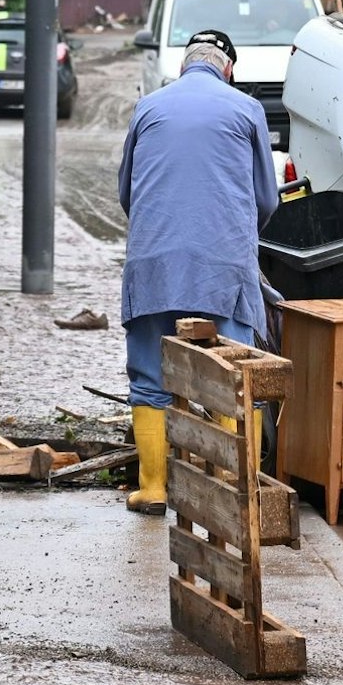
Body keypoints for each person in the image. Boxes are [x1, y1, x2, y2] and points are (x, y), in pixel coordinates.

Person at [117, 29, 279, 513]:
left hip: (153, 265)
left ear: (183, 65)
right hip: (223, 268)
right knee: (236, 378)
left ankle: (153, 489)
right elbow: (266, 199)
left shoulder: (147, 107)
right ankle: (234, 489)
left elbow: (127, 193)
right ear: (228, 69)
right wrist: (238, 237)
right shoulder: (247, 109)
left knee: (149, 377)